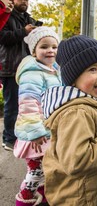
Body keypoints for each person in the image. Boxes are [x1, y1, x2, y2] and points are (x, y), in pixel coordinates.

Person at [41, 35, 97, 206]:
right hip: (79, 198)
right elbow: (76, 161)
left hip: (85, 191)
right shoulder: (77, 112)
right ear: (73, 77)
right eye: (93, 69)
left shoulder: (92, 102)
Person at [13, 26, 61, 206]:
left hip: (47, 130)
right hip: (36, 134)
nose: (50, 50)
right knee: (35, 172)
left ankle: (43, 192)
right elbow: (28, 104)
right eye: (44, 47)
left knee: (45, 168)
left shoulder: (53, 70)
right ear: (34, 51)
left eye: (54, 47)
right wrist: (35, 131)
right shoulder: (32, 73)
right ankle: (25, 199)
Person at [0, 0, 40, 151]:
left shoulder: (28, 18)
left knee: (26, 104)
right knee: (12, 105)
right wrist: (24, 31)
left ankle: (20, 136)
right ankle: (9, 139)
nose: (25, 2)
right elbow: (2, 38)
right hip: (10, 67)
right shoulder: (5, 16)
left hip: (27, 68)